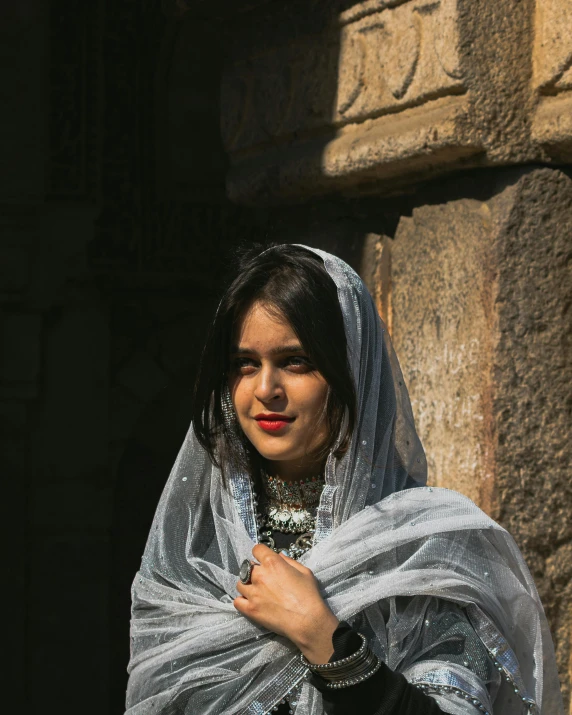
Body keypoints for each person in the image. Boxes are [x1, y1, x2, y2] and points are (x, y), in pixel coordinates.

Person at [125, 244, 563, 715]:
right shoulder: (190, 557)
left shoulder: (415, 552)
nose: (265, 389)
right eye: (244, 364)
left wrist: (324, 638)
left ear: (352, 372)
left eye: (295, 362)